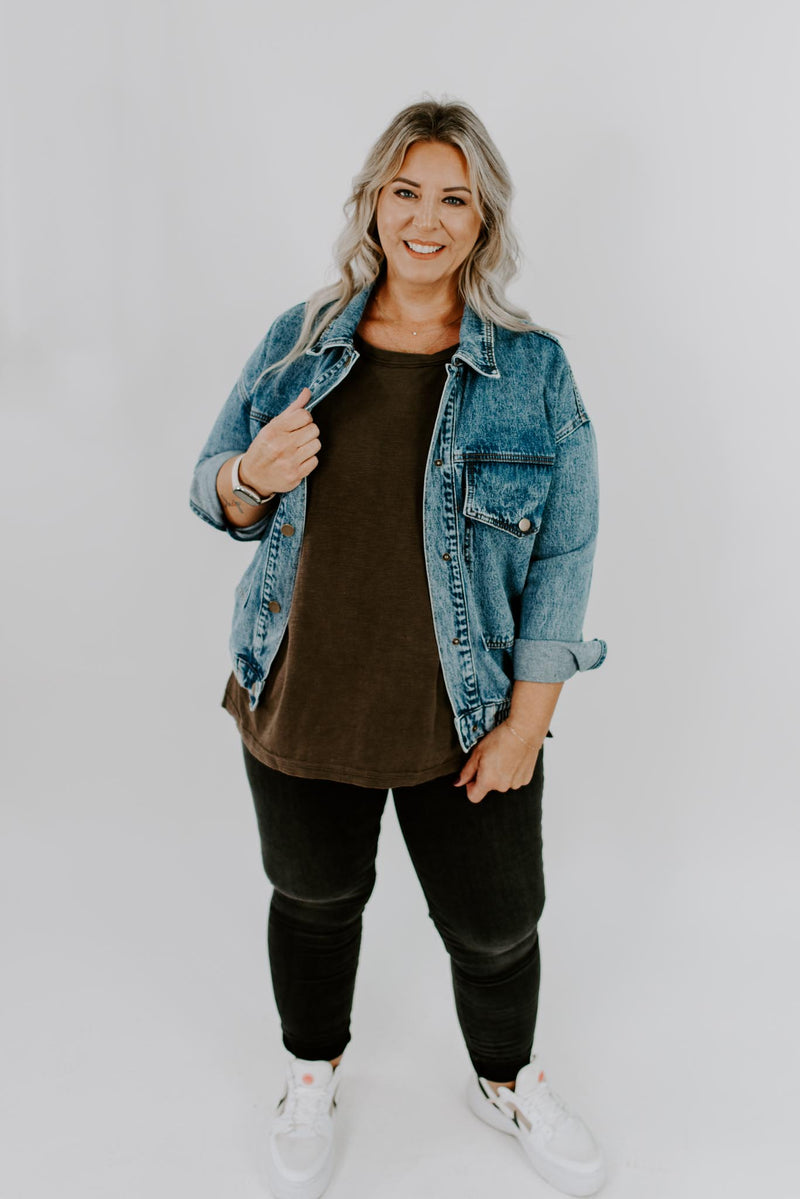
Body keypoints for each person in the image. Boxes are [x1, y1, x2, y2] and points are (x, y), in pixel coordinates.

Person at [190, 98, 608, 1199]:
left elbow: (565, 554)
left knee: (496, 923)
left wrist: (527, 725)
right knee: (313, 899)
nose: (426, 219)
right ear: (374, 204)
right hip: (304, 688)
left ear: (483, 221)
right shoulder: (299, 339)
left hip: (464, 710)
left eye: (453, 198)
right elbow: (212, 485)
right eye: (406, 191)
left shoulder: (532, 370)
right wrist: (248, 477)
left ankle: (505, 1078)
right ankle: (310, 1073)